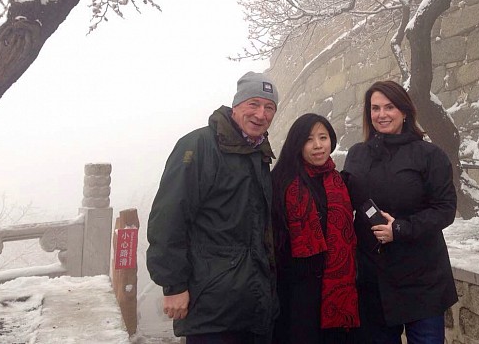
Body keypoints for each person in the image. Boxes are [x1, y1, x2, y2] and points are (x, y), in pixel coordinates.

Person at [146, 71, 280, 344]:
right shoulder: (199, 146)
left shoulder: (257, 153)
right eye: (253, 104)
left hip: (251, 301)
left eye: (269, 107)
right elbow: (169, 218)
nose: (261, 114)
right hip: (211, 302)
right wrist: (174, 285)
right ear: (236, 106)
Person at [342, 81, 458, 344]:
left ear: (405, 111)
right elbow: (343, 199)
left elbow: (445, 209)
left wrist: (402, 228)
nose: (381, 114)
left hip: (421, 277)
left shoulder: (429, 155)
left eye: (389, 107)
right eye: (375, 108)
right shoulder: (357, 155)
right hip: (374, 278)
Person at [271, 113, 359, 344]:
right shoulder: (280, 182)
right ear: (297, 144)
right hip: (294, 293)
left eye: (323, 137)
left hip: (336, 288)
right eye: (309, 139)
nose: (318, 146)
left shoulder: (340, 182)